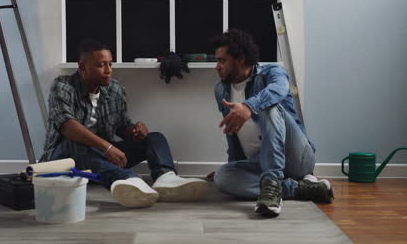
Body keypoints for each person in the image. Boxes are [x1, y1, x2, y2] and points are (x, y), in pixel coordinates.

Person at [41, 39, 208, 208]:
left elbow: (122, 125)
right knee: (74, 145)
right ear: (83, 67)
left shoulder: (114, 88)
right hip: (65, 162)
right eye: (101, 65)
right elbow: (68, 127)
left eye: (110, 64)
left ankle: (166, 179)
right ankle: (128, 179)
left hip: (102, 161)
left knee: (154, 138)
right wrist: (107, 147)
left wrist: (135, 131)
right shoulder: (63, 86)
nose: (109, 71)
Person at [210, 29, 333, 217]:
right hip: (259, 161)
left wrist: (249, 106)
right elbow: (232, 134)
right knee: (222, 178)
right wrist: (235, 169)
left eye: (222, 60)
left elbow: (279, 89)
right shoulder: (221, 90)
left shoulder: (271, 73)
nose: (217, 66)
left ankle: (273, 184)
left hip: (296, 158)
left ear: (240, 59)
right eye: (216, 60)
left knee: (269, 105)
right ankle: (300, 188)